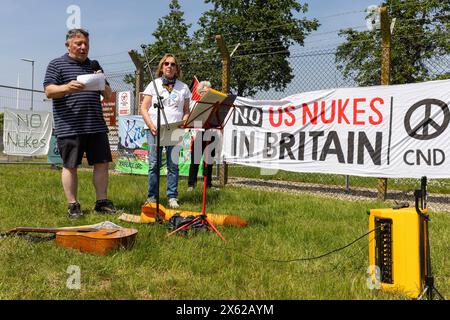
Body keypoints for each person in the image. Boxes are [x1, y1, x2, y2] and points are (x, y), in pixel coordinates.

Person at [44, 28, 117, 219]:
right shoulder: (56, 64)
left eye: (86, 44)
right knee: (70, 166)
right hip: (69, 125)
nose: (83, 47)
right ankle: (73, 205)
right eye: (79, 44)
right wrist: (67, 88)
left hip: (95, 125)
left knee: (102, 163)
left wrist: (102, 80)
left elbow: (108, 95)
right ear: (68, 44)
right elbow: (49, 91)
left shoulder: (94, 65)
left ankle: (102, 202)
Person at [140, 53, 191, 209]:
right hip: (155, 129)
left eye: (173, 64)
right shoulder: (153, 84)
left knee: (173, 164)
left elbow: (186, 110)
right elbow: (143, 108)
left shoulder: (184, 87)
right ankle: (152, 197)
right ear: (161, 67)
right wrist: (150, 125)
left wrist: (184, 122)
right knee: (154, 164)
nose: (169, 66)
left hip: (175, 129)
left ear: (177, 69)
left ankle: (172, 197)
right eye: (166, 63)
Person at [187, 80, 217, 191]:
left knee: (209, 160)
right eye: (204, 91)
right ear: (199, 93)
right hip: (199, 133)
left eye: (208, 92)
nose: (206, 93)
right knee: (195, 160)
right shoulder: (195, 104)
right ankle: (191, 184)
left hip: (211, 132)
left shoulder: (214, 104)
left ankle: (208, 183)